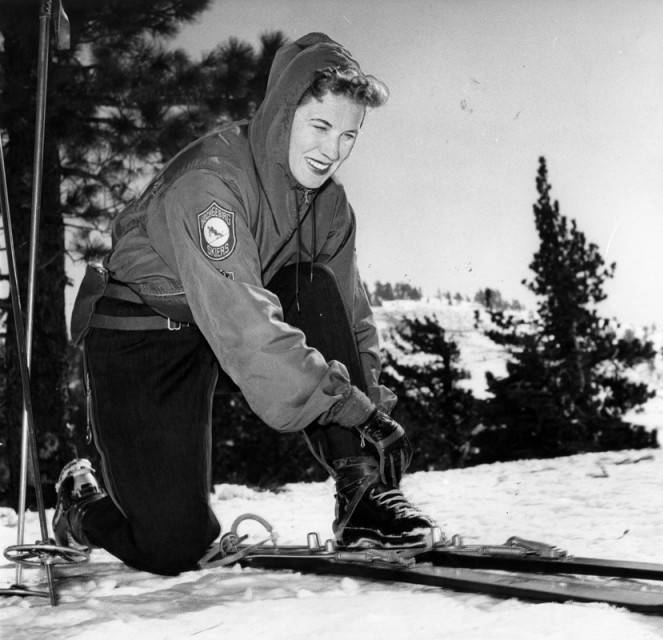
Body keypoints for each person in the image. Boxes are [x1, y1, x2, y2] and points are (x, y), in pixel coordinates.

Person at [53, 32, 436, 576]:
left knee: (312, 283)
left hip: (219, 328)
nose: (332, 150)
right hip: (142, 333)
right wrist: (349, 406)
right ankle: (81, 507)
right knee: (174, 546)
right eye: (320, 126)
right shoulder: (211, 183)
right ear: (283, 113)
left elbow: (351, 316)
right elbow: (247, 329)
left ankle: (361, 497)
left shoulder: (329, 206)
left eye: (349, 135)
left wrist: (371, 412)